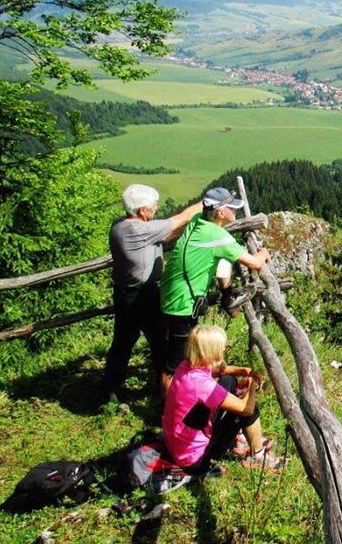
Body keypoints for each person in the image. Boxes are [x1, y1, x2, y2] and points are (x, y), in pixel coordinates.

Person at [159, 186, 271, 391]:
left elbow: (194, 212)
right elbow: (254, 263)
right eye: (232, 208)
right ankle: (168, 406)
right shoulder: (218, 236)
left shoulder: (197, 221)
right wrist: (263, 252)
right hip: (183, 304)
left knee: (179, 352)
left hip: (169, 292)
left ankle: (185, 394)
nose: (235, 211)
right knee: (173, 364)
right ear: (220, 213)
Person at [101, 184, 202, 405]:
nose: (156, 208)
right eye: (153, 206)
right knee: (158, 341)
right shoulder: (138, 229)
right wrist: (205, 203)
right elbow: (182, 218)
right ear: (141, 211)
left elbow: (165, 235)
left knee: (124, 342)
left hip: (126, 293)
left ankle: (110, 391)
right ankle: (166, 390)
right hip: (141, 296)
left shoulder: (120, 225)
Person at [162, 324, 279, 472]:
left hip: (176, 445)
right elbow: (247, 409)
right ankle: (259, 456)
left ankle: (241, 438)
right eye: (222, 346)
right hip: (195, 460)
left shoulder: (185, 366)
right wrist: (252, 385)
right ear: (211, 351)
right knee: (247, 410)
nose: (224, 348)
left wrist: (244, 371)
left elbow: (217, 371)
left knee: (228, 380)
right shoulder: (204, 386)